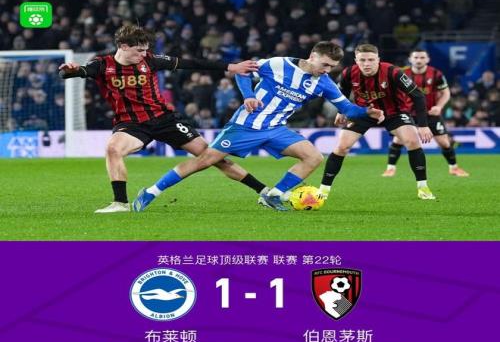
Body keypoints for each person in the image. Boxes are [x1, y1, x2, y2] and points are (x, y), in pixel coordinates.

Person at [133, 41, 384, 212]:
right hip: (246, 125)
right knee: (205, 161)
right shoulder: (278, 64)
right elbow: (243, 71)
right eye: (325, 65)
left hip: (276, 128)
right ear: (313, 56)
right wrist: (248, 95)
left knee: (313, 157)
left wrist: (366, 112)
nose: (327, 70)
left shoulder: (324, 82)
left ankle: (273, 195)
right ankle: (151, 192)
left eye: (332, 67)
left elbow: (347, 108)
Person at [59, 24, 265, 213]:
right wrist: (70, 71)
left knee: (212, 156)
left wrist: (231, 67)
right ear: (123, 46)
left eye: (145, 50)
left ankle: (264, 192)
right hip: (132, 125)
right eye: (139, 50)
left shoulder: (150, 60)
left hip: (165, 119)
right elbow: (77, 72)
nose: (143, 54)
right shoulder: (103, 65)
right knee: (113, 149)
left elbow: (191, 63)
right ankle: (120, 203)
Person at [319, 43, 436, 201]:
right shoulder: (349, 73)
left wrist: (423, 125)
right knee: (342, 147)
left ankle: (423, 188)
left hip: (394, 113)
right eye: (362, 60)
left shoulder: (393, 72)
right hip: (365, 112)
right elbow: (343, 92)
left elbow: (418, 95)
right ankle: (323, 191)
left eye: (371, 60)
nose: (366, 64)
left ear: (378, 59)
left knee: (412, 141)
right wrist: (341, 111)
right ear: (356, 60)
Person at [382, 49, 469, 177]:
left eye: (422, 57)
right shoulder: (401, 73)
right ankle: (390, 169)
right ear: (410, 59)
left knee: (444, 142)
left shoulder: (436, 74)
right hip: (407, 113)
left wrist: (439, 107)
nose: (419, 60)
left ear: (428, 59)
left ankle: (454, 168)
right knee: (398, 139)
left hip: (430, 113)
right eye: (416, 57)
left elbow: (446, 93)